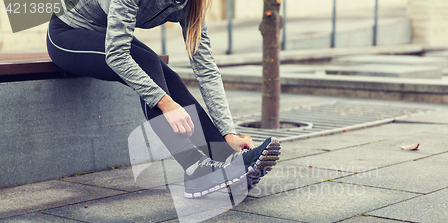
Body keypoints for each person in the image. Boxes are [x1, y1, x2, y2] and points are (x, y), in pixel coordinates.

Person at [46, 0, 281, 198]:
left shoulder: (191, 3)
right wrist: (166, 103)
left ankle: (227, 159)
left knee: (167, 75)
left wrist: (228, 132)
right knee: (147, 64)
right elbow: (117, 55)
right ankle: (196, 170)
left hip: (103, 31)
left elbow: (205, 67)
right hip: (66, 32)